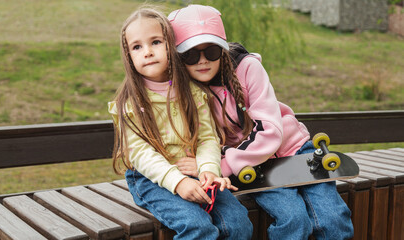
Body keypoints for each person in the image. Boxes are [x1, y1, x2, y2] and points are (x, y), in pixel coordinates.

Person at [169, 4, 354, 240]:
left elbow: (270, 130)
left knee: (333, 220)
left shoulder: (248, 68)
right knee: (293, 221)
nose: (202, 61)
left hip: (293, 151)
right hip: (254, 168)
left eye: (212, 51)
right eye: (191, 54)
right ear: (178, 56)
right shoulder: (184, 91)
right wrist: (209, 167)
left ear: (223, 49)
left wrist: (225, 165)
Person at [108, 7, 253, 240]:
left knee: (238, 224)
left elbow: (207, 138)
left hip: (194, 172)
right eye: (137, 47)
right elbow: (140, 154)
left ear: (172, 46)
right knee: (197, 226)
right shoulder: (130, 104)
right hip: (152, 179)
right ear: (128, 56)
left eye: (155, 42)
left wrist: (207, 169)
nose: (147, 52)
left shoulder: (193, 93)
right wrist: (178, 182)